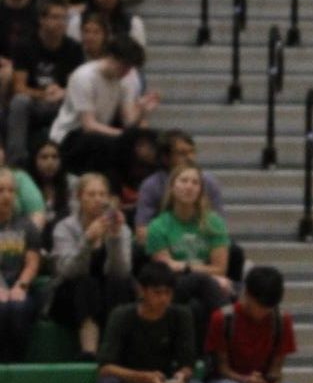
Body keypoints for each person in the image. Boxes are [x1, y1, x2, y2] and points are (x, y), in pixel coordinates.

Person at [49, 173, 134, 357]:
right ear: (80, 197)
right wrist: (87, 240)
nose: (98, 199)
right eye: (91, 194)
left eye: (102, 194)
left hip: (107, 296)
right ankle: (89, 351)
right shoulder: (64, 228)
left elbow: (121, 272)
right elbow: (67, 271)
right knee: (86, 284)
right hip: (69, 296)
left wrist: (115, 238)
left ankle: (115, 349)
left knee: (121, 284)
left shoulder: (121, 228)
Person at [48, 38, 158, 179]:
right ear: (111, 58)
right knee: (105, 143)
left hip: (101, 131)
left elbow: (129, 122)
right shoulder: (84, 77)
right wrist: (125, 137)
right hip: (70, 135)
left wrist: (142, 111)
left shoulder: (124, 79)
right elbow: (89, 125)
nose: (126, 72)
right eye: (124, 67)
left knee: (149, 138)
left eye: (129, 68)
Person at [146, 163, 234, 332]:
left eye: (195, 183)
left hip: (206, 287)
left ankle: (208, 354)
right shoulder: (158, 226)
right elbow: (166, 270)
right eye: (184, 180)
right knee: (202, 281)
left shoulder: (213, 222)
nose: (189, 186)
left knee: (197, 307)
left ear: (201, 190)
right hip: (172, 287)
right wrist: (204, 274)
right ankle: (229, 324)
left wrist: (184, 267)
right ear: (172, 187)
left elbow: (220, 269)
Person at [5, 0, 83, 167]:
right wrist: (43, 94)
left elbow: (76, 86)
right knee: (19, 102)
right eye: (55, 17)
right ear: (42, 19)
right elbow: (19, 87)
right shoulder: (25, 45)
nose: (61, 23)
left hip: (61, 103)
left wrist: (62, 92)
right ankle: (16, 162)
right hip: (34, 102)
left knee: (79, 104)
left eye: (64, 18)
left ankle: (69, 163)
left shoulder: (74, 48)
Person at [134, 130, 226, 243]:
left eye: (192, 152)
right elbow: (142, 231)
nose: (190, 158)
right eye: (182, 153)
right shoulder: (151, 186)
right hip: (163, 243)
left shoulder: (209, 182)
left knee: (234, 252)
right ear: (165, 158)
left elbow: (219, 227)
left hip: (200, 242)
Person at [0, 167, 42, 359]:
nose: (6, 196)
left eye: (10, 191)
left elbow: (32, 262)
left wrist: (21, 286)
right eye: (0, 190)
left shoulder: (27, 226)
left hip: (20, 285)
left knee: (18, 308)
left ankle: (17, 363)